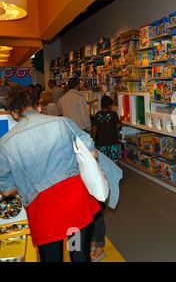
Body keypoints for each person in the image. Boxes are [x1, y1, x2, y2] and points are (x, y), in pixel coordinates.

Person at [0, 86, 100, 262]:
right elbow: (92, 154)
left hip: (44, 212)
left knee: (51, 259)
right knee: (78, 254)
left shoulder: (5, 143)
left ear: (14, 113)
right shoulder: (62, 123)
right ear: (38, 107)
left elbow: (6, 190)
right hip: (73, 206)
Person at [89, 95, 122, 262]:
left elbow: (94, 129)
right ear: (110, 105)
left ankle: (104, 180)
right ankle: (111, 182)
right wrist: (120, 120)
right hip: (112, 142)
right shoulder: (113, 114)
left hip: (102, 143)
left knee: (103, 164)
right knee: (113, 164)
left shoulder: (97, 115)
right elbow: (118, 125)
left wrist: (93, 139)